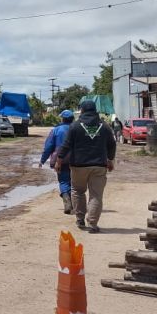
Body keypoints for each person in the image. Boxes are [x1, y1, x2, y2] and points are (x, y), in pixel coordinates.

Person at [55, 100, 117, 233]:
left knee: (77, 191)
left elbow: (66, 145)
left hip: (78, 165)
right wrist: (110, 160)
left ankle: (80, 219)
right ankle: (93, 225)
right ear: (95, 111)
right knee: (96, 195)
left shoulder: (75, 126)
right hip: (99, 166)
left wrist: (59, 160)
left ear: (82, 111)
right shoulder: (105, 127)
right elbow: (112, 144)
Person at [39, 109, 74, 214]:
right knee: (73, 181)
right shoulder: (76, 128)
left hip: (60, 160)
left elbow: (48, 146)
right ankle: (71, 199)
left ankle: (66, 197)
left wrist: (42, 160)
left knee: (63, 180)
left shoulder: (56, 130)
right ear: (72, 119)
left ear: (62, 119)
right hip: (76, 160)